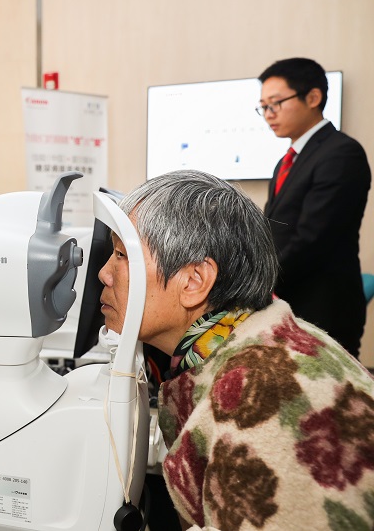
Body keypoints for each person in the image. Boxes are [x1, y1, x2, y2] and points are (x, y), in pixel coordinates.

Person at [98, 170, 374, 530]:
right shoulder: (243, 344)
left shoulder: (264, 398)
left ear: (194, 281)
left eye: (122, 254)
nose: (104, 273)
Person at [258, 57, 371, 358]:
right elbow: (274, 230)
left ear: (313, 97)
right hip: (287, 302)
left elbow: (313, 238)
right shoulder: (286, 160)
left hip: (323, 306)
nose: (268, 114)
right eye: (263, 107)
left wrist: (258, 283)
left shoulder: (341, 153)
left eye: (276, 103)